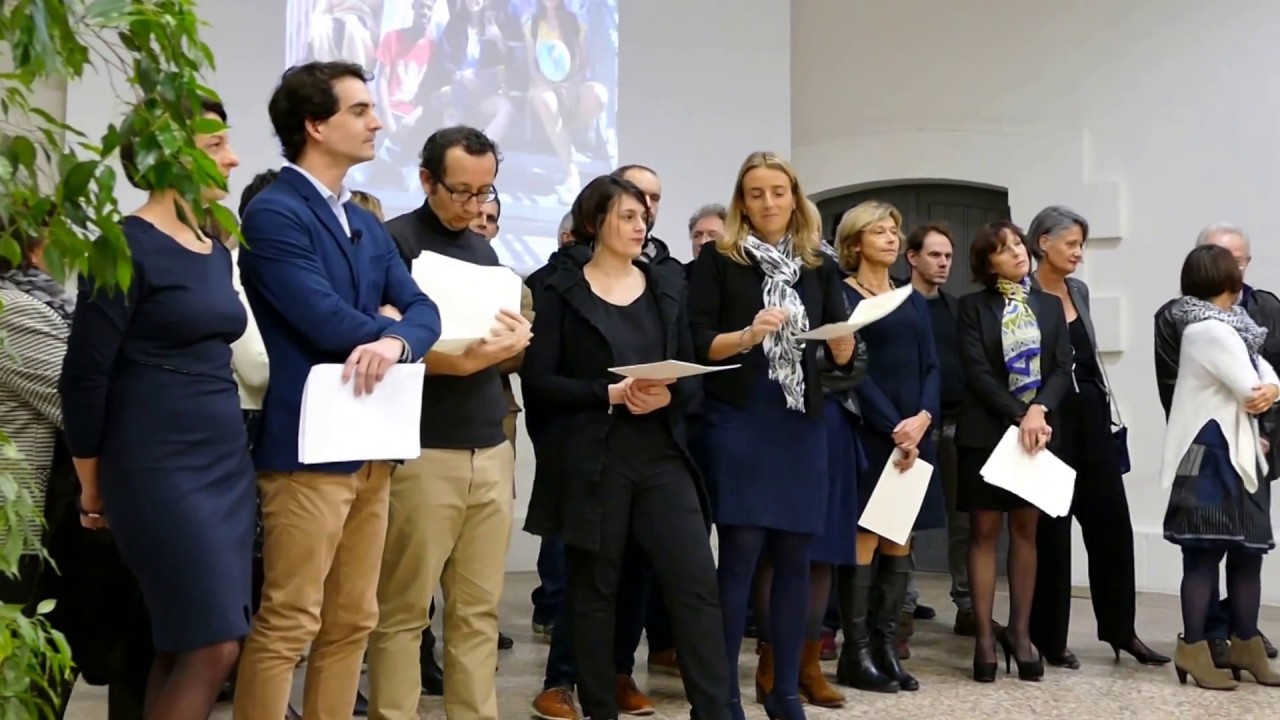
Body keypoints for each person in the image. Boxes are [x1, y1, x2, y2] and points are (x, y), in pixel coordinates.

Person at [232, 61, 442, 720]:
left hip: (370, 443)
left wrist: (396, 340)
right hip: (306, 449)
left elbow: (423, 310)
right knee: (291, 619)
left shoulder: (363, 221)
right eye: (358, 110)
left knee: (355, 617)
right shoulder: (274, 213)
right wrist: (381, 331)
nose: (376, 121)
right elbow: (318, 316)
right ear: (315, 124)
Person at [60, 97, 253, 719]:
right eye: (214, 146)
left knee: (186, 640)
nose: (232, 157)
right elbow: (84, 376)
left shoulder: (214, 245)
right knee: (213, 646)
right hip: (155, 464)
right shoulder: (121, 245)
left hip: (223, 460)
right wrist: (92, 486)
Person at [522, 174, 731, 720]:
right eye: (627, 217)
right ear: (595, 223)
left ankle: (714, 709)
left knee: (694, 584)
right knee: (595, 592)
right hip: (596, 459)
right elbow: (540, 382)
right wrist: (608, 393)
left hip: (662, 455)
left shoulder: (666, 287)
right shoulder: (559, 291)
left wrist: (669, 394)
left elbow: (693, 375)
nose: (641, 226)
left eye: (644, 217)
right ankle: (599, 708)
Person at [368, 125, 529, 720]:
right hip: (421, 449)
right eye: (461, 192)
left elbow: (494, 352)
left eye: (485, 193)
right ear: (427, 180)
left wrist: (515, 345)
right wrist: (453, 359)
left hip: (490, 444)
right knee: (404, 613)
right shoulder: (392, 243)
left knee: (478, 612)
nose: (474, 206)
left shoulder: (485, 251)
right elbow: (376, 344)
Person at [688, 151, 854, 720]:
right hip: (739, 418)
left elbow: (845, 358)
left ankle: (783, 691)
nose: (768, 203)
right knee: (738, 557)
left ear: (794, 196)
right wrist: (746, 334)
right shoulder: (717, 262)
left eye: (778, 192)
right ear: (741, 201)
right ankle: (722, 697)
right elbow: (697, 345)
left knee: (795, 558)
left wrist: (843, 348)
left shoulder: (819, 264)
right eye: (756, 193)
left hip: (801, 421)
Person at [1024, 205, 1168, 668]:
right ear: (1043, 242)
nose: (1079, 254)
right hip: (1050, 417)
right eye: (1071, 244)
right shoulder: (1022, 296)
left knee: (1111, 523)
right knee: (1053, 530)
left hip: (1091, 412)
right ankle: (1049, 636)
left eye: (1082, 245)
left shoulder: (1077, 289)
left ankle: (1121, 630)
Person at [1154, 223, 1280, 666]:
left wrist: (1272, 388)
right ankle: (1196, 647)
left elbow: (1268, 371)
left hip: (1240, 449)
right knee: (1204, 552)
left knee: (1248, 553)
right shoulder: (1207, 329)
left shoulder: (1239, 324)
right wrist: (1268, 388)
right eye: (1234, 266)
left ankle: (1245, 643)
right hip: (1211, 453)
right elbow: (1253, 384)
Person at [831, 201, 943, 692]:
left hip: (913, 434)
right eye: (879, 231)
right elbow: (851, 371)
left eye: (894, 230)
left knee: (900, 539)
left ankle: (882, 646)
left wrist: (921, 419)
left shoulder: (910, 297)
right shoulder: (842, 296)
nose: (892, 238)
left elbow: (933, 366)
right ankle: (853, 655)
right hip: (869, 432)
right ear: (855, 243)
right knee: (865, 538)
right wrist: (893, 425)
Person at [953, 220, 1071, 684]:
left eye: (1018, 244)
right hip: (986, 431)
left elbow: (1062, 367)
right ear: (987, 264)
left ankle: (1020, 634)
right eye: (1004, 250)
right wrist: (1018, 414)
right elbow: (977, 373)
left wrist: (1038, 409)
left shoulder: (1048, 305)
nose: (1017, 253)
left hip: (1036, 431)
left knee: (1026, 532)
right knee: (984, 533)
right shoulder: (971, 307)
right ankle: (984, 635)